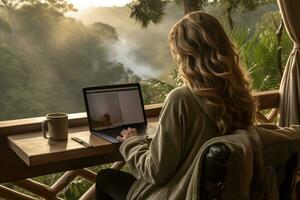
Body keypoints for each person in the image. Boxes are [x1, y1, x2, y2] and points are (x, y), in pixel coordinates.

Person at [95, 11, 256, 200]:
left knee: (105, 177)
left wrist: (131, 142)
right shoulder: (240, 95)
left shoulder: (181, 98)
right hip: (216, 194)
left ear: (185, 54)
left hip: (180, 192)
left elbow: (155, 171)